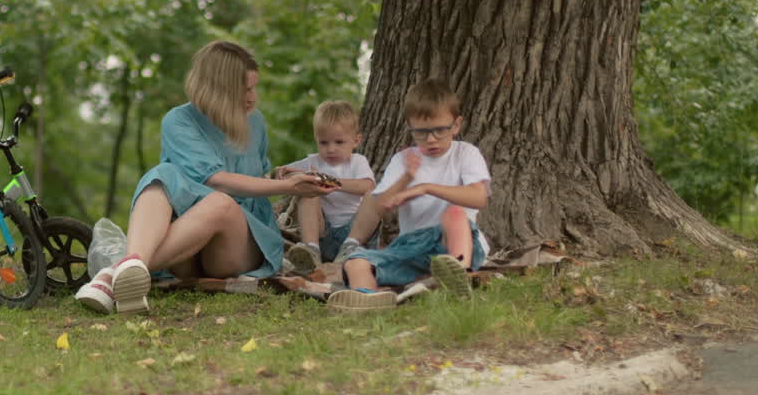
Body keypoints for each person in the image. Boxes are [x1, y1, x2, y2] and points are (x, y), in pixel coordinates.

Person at [75, 40, 334, 315]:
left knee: (220, 204)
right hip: (186, 248)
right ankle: (130, 272)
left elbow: (252, 177)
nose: (252, 97)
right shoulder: (178, 121)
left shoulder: (255, 122)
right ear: (220, 90)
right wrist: (285, 186)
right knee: (162, 174)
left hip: (234, 244)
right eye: (245, 89)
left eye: (253, 88)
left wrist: (281, 176)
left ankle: (113, 275)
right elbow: (216, 179)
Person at [327, 78, 491, 311]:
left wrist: (426, 188)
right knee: (356, 261)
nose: (431, 139)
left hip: (453, 242)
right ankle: (368, 298)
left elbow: (479, 198)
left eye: (439, 130)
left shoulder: (466, 153)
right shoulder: (403, 160)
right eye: (421, 132)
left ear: (456, 125)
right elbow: (380, 206)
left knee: (454, 214)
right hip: (410, 247)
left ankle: (460, 275)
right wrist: (406, 179)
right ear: (410, 127)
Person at [276, 100, 376, 274]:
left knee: (375, 195)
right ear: (316, 140)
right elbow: (281, 174)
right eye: (324, 143)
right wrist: (287, 173)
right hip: (323, 233)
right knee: (308, 194)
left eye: (339, 142)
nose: (331, 149)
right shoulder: (312, 162)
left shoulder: (358, 162)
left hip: (354, 232)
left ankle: (350, 247)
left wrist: (330, 181)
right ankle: (311, 251)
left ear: (356, 140)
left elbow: (366, 185)